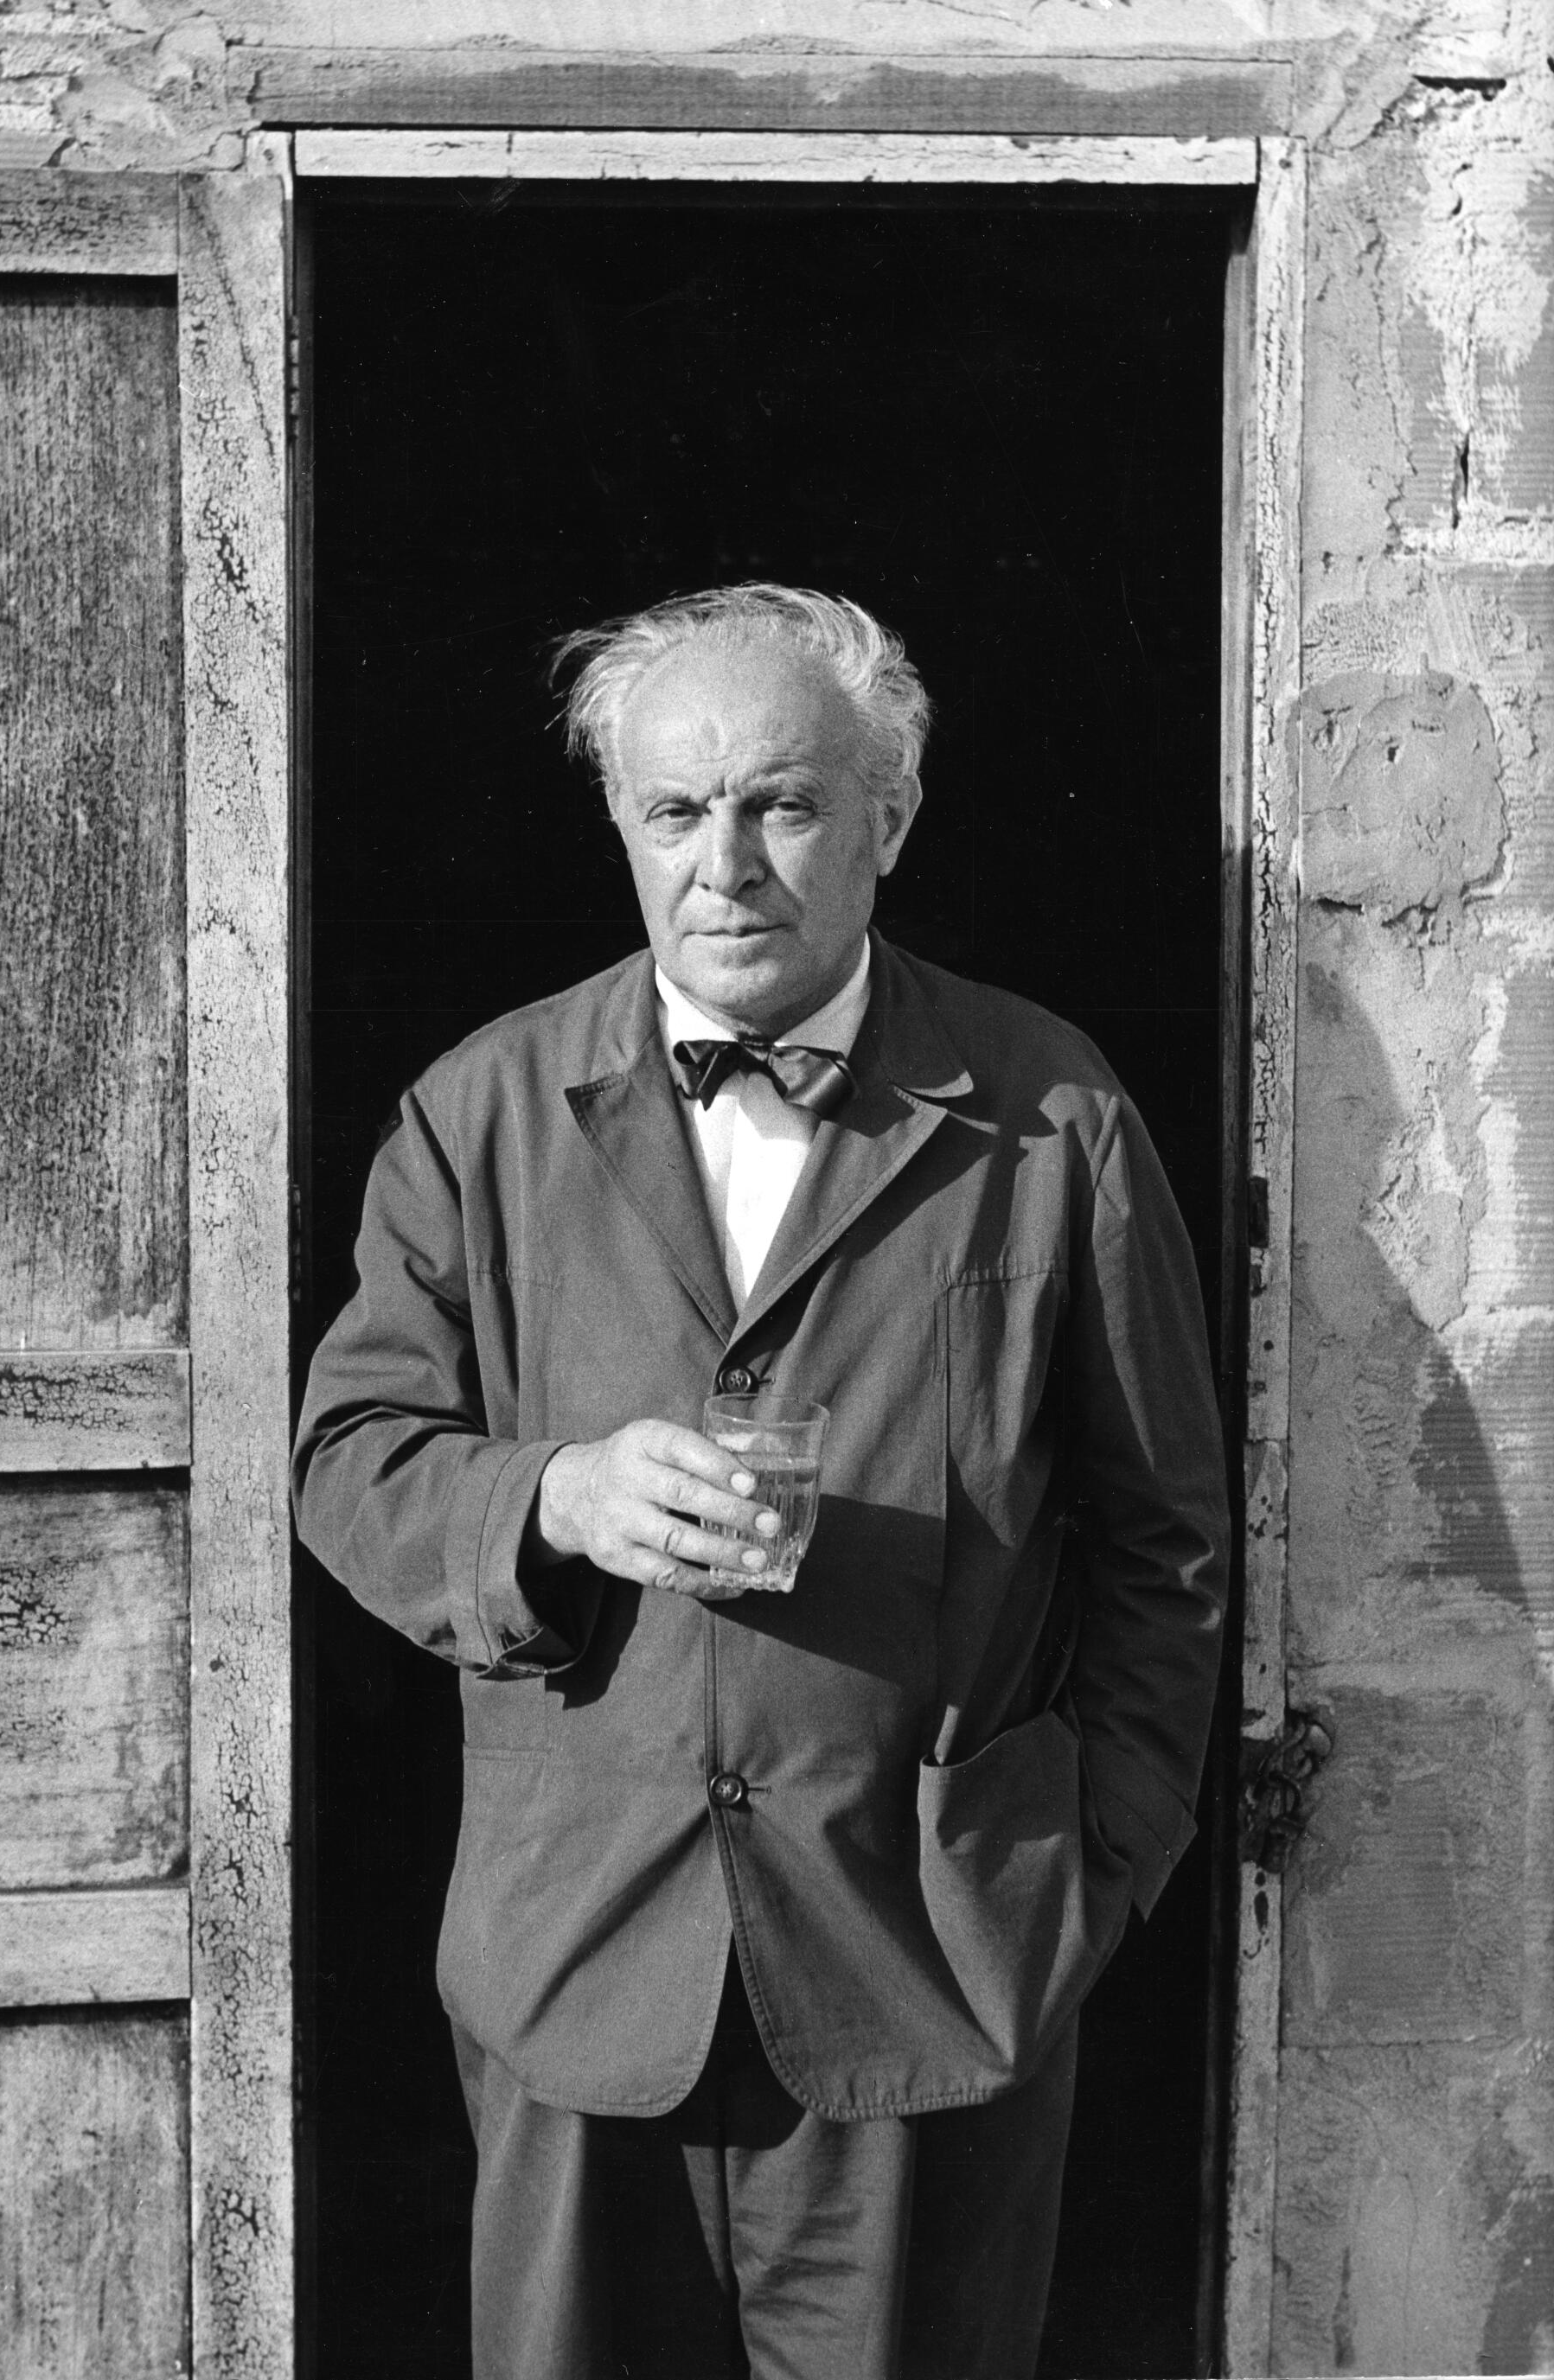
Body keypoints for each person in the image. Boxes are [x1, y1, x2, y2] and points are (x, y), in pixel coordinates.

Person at [292, 584, 1229, 2380]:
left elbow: (1164, 1544)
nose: (724, 865)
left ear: (888, 819)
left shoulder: (1050, 1113)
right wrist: (553, 1496)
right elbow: (352, 1463)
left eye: (784, 804)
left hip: (927, 1960)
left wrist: (1085, 1872)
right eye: (672, 811)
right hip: (578, 1964)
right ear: (622, 830)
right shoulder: (481, 1111)